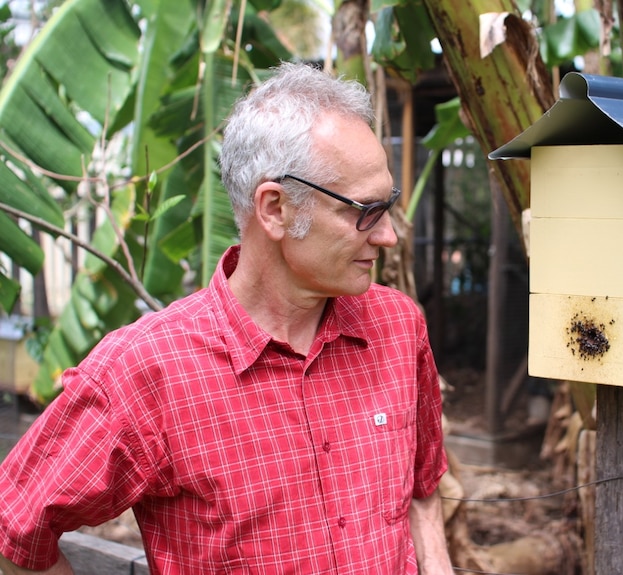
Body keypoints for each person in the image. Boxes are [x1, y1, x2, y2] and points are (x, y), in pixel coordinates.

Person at [0, 62, 452, 574]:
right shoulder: (148, 368)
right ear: (276, 209)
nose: (389, 234)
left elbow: (423, 486)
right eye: (364, 211)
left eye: (388, 203)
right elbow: (14, 527)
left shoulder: (397, 327)